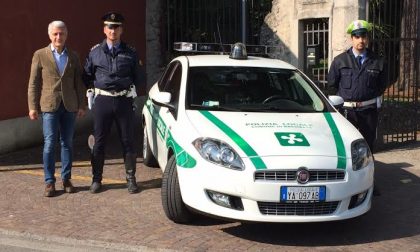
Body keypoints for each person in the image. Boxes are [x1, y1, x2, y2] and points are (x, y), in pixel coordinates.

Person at [83, 12, 145, 194]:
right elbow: (87, 75)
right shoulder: (95, 52)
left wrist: (130, 88)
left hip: (123, 100)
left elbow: (139, 76)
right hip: (102, 101)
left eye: (116, 27)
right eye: (110, 27)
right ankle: (96, 179)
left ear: (121, 30)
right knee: (99, 141)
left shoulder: (131, 52)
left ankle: (131, 179)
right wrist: (92, 89)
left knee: (128, 140)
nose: (113, 30)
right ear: (104, 29)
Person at [28, 20, 86, 197]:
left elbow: (79, 83)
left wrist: (82, 105)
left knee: (67, 143)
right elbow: (34, 82)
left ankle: (66, 178)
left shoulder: (73, 56)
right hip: (49, 105)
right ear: (50, 35)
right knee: (49, 143)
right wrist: (32, 106)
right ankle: (49, 182)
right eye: (55, 34)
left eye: (61, 33)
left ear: (66, 35)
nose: (58, 37)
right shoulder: (40, 54)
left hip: (69, 105)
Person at [328, 19, 386, 153]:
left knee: (368, 146)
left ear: (368, 38)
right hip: (347, 112)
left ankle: (367, 172)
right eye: (357, 36)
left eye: (364, 36)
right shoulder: (340, 60)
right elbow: (332, 85)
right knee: (346, 145)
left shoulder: (377, 61)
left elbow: (382, 85)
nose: (361, 40)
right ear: (352, 38)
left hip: (368, 111)